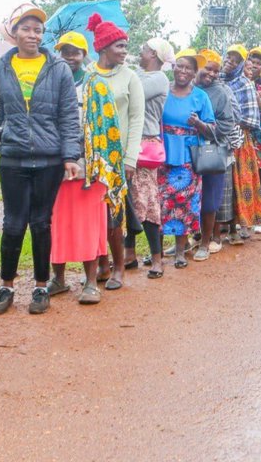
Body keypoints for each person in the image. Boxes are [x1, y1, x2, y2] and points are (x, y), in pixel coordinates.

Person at [0, 6, 82, 315]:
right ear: (14, 32)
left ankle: (42, 286)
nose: (32, 34)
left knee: (41, 224)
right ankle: (7, 286)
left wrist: (70, 155)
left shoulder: (58, 68)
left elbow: (69, 115)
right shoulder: (0, 68)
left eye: (38, 30)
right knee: (13, 224)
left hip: (49, 160)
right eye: (26, 28)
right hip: (13, 158)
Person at [47, 32, 124, 304]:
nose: (69, 57)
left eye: (75, 52)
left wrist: (90, 163)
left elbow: (107, 126)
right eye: (64, 51)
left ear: (84, 54)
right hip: (55, 164)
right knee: (56, 223)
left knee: (89, 224)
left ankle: (91, 282)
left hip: (90, 166)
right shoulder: (50, 82)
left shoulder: (96, 85)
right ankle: (58, 279)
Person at [81, 17, 143, 286]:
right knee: (93, 213)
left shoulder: (130, 77)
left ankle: (119, 266)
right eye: (119, 45)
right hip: (93, 156)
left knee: (114, 213)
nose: (124, 51)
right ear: (104, 47)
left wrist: (130, 159)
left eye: (125, 45)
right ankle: (102, 265)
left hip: (118, 158)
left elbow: (137, 118)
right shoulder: (89, 76)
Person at [160, 49, 216, 267]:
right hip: (162, 156)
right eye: (180, 66)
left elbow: (212, 129)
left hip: (187, 159)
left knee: (182, 207)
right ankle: (157, 253)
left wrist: (198, 124)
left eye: (188, 68)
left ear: (194, 73)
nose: (183, 71)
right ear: (173, 67)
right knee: (160, 204)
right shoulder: (163, 91)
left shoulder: (201, 96)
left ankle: (180, 252)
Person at [128, 39, 171, 277]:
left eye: (143, 49)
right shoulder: (139, 74)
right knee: (126, 201)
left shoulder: (158, 79)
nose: (139, 52)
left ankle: (157, 258)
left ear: (153, 53)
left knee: (147, 201)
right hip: (128, 142)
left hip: (144, 143)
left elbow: (133, 92)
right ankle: (128, 254)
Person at [221, 46, 261, 237]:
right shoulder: (218, 80)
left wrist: (229, 124)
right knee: (225, 184)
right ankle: (225, 223)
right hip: (220, 138)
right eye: (228, 57)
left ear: (241, 64)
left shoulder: (245, 83)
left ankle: (245, 223)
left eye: (235, 60)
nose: (230, 62)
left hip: (240, 140)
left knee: (241, 181)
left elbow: (251, 119)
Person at [194, 49, 237, 255]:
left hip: (212, 149)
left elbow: (228, 122)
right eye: (208, 69)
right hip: (188, 150)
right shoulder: (186, 88)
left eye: (215, 72)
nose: (211, 74)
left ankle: (210, 239)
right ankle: (186, 240)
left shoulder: (220, 92)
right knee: (188, 196)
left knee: (211, 196)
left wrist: (204, 127)